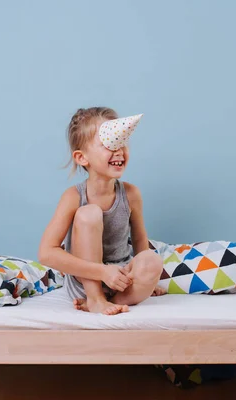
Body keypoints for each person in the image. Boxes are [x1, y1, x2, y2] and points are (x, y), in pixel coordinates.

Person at [38, 107, 165, 316]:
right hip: (85, 281)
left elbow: (141, 243)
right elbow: (46, 253)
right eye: (109, 144)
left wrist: (149, 280)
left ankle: (112, 301)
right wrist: (103, 272)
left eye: (122, 142)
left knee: (153, 260)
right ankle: (95, 298)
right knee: (90, 213)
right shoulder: (73, 197)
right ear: (81, 157)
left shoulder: (131, 194)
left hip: (121, 279)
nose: (118, 150)